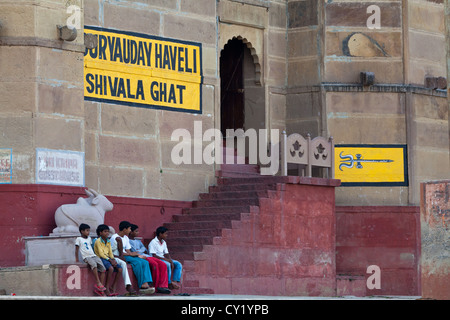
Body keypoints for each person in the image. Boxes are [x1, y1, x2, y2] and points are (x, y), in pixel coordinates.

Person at [111, 221, 155, 294]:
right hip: (119, 256)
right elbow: (118, 252)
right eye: (129, 229)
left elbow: (127, 250)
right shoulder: (115, 237)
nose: (130, 231)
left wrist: (135, 254)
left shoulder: (126, 237)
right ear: (124, 229)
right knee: (137, 263)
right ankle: (141, 285)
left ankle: (146, 283)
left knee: (145, 262)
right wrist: (131, 254)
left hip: (127, 255)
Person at [94, 224, 134, 296]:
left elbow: (110, 252)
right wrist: (110, 260)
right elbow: (101, 254)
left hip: (109, 258)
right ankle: (106, 287)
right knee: (111, 268)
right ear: (100, 233)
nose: (107, 233)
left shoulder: (108, 241)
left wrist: (113, 259)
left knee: (120, 269)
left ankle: (113, 287)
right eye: (105, 231)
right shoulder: (98, 241)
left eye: (108, 232)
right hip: (102, 258)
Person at [129, 224, 171, 294]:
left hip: (146, 255)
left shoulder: (138, 241)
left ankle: (163, 286)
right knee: (155, 264)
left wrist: (139, 251)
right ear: (131, 232)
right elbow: (133, 250)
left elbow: (144, 249)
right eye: (136, 231)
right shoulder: (128, 241)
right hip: (140, 256)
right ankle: (156, 286)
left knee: (163, 264)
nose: (138, 233)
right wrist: (139, 251)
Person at [75, 223, 106, 296]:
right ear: (82, 231)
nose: (88, 232)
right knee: (94, 265)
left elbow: (90, 248)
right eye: (87, 230)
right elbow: (76, 250)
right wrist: (76, 259)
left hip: (93, 255)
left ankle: (100, 286)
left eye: (89, 231)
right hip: (86, 257)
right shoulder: (78, 239)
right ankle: (98, 282)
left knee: (103, 268)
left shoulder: (89, 239)